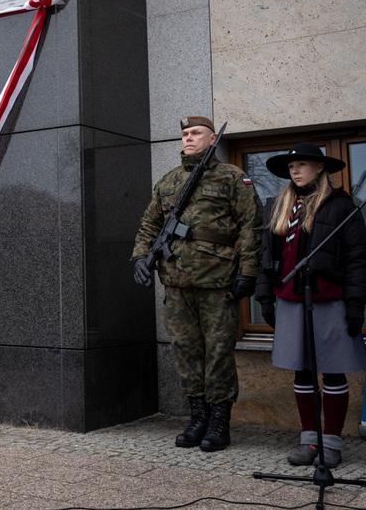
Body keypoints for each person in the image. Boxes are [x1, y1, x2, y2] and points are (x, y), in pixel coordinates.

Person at [132, 115, 262, 452]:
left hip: (218, 281)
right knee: (186, 351)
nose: (189, 139)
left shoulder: (234, 177)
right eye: (185, 134)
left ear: (212, 138)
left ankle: (219, 422)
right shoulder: (168, 181)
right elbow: (149, 224)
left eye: (196, 133)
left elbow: (251, 226)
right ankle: (197, 418)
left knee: (218, 352)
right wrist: (139, 258)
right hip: (176, 281)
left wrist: (248, 271)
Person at [255, 143, 366, 468]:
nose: (296, 171)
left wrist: (356, 306)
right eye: (292, 167)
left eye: (302, 165)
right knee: (302, 373)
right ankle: (310, 441)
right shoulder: (278, 206)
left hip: (330, 301)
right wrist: (265, 296)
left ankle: (330, 444)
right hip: (290, 301)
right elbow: (267, 256)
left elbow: (359, 260)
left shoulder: (342, 206)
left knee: (332, 373)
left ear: (320, 168)